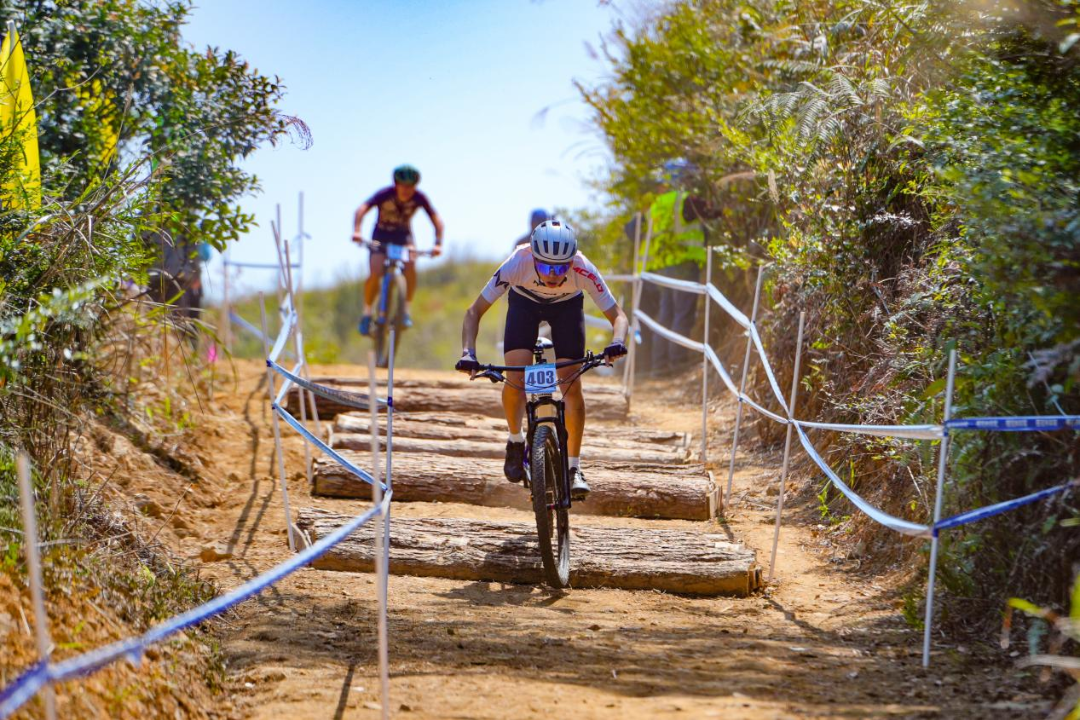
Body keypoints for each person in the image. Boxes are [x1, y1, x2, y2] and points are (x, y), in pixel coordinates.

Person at [454, 220, 629, 500]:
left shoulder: (583, 267)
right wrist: (468, 353)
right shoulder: (517, 262)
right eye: (546, 267)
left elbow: (618, 316)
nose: (553, 275)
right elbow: (473, 312)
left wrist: (617, 341)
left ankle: (574, 468)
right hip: (524, 304)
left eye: (561, 268)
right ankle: (515, 440)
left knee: (571, 382)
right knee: (516, 377)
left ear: (572, 262)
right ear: (533, 258)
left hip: (567, 308)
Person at [352, 164, 444, 335]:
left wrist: (438, 243)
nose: (407, 190)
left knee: (411, 266)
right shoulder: (384, 194)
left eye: (411, 187)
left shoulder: (419, 198)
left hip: (403, 237)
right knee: (375, 271)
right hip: (381, 235)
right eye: (404, 186)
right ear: (396, 185)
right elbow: (362, 209)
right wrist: (357, 230)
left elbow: (436, 219)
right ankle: (367, 313)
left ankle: (405, 310)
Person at [645, 159, 709, 371]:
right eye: (689, 177)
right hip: (685, 263)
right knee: (683, 313)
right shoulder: (685, 200)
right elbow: (712, 212)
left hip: (665, 265)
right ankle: (677, 362)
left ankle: (659, 364)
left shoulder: (658, 204)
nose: (692, 182)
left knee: (666, 314)